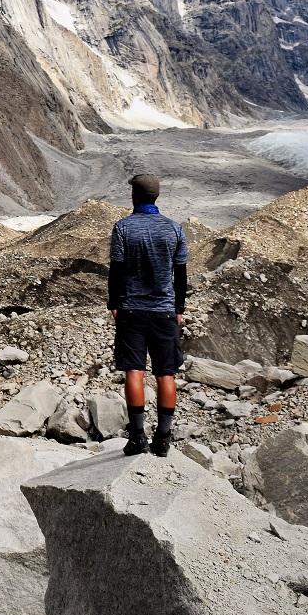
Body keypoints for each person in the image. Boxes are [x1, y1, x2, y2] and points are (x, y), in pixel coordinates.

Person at [108, 173, 188, 457]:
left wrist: (114, 304)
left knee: (134, 371)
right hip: (165, 311)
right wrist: (178, 309)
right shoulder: (174, 229)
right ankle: (163, 439)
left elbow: (116, 271)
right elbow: (181, 275)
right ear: (157, 196)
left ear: (135, 196)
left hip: (131, 309)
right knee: (166, 373)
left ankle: (138, 437)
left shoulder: (123, 228)